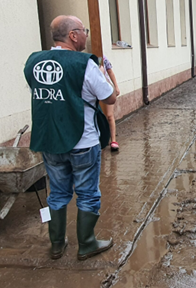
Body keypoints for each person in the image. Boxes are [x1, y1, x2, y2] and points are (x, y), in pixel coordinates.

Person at [24, 15, 116, 261]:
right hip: (83, 142)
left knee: (57, 193)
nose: (86, 34)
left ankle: (57, 244)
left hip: (50, 140)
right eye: (83, 30)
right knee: (87, 193)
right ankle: (86, 243)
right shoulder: (83, 63)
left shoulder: (33, 61)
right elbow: (110, 97)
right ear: (73, 35)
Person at [99, 56, 121, 151]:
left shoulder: (102, 59)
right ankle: (100, 139)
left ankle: (113, 140)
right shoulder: (86, 59)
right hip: (94, 90)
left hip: (107, 89)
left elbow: (110, 72)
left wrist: (116, 87)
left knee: (109, 115)